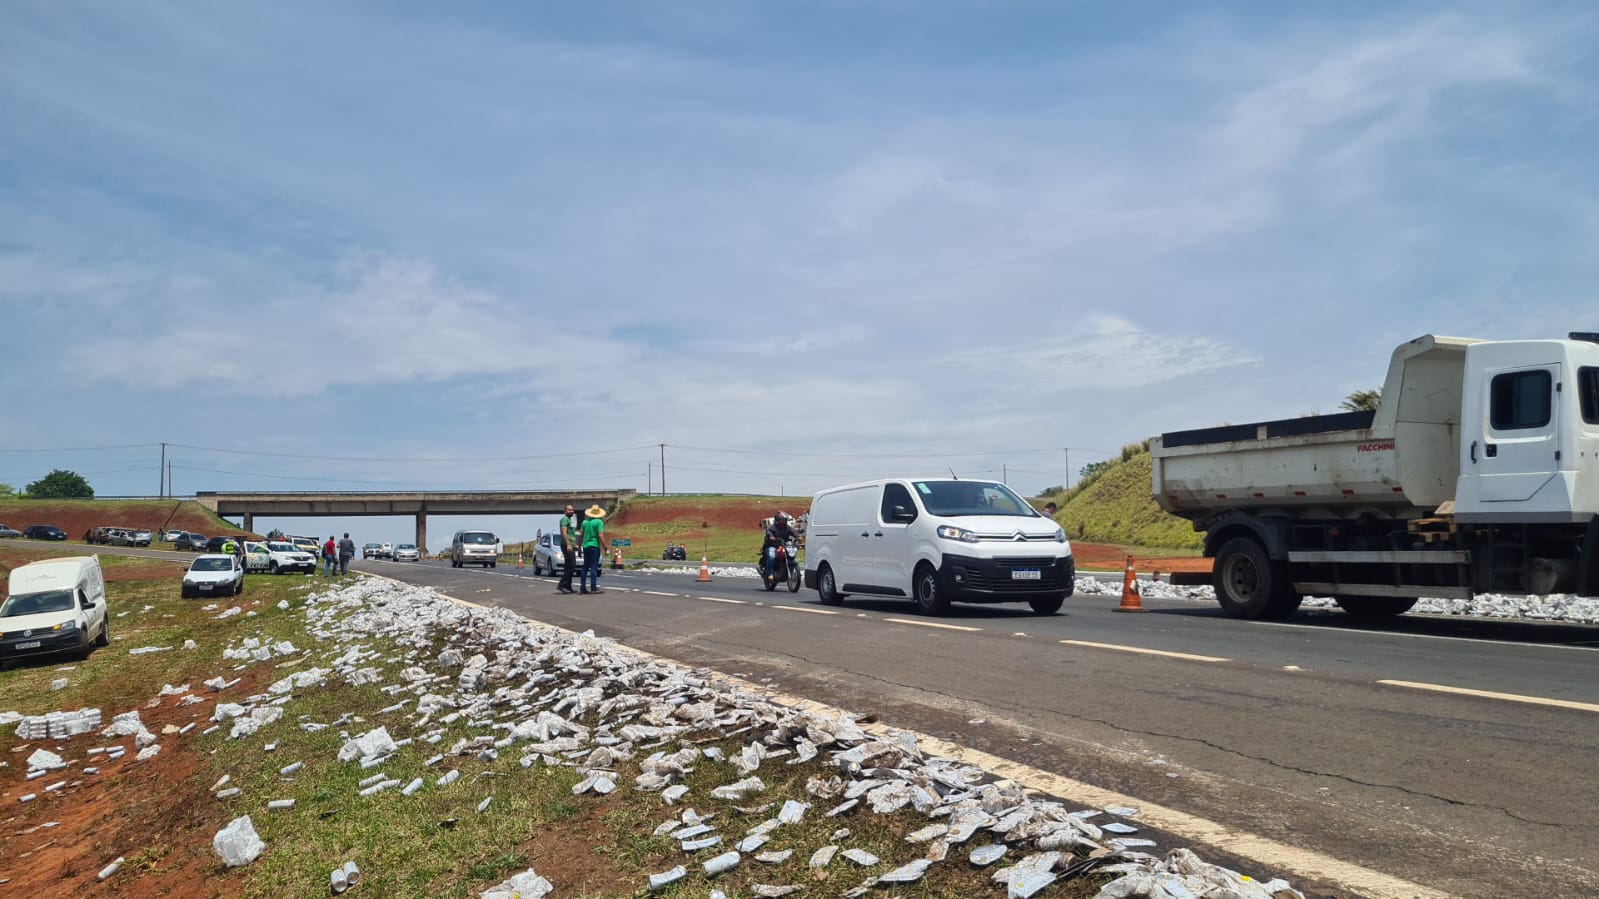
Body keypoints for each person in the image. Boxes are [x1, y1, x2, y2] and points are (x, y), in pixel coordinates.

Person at [579, 504, 607, 594]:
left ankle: (582, 587)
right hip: (594, 546)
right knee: (594, 567)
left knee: (585, 567)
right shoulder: (599, 522)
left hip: (586, 546)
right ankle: (593, 587)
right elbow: (600, 535)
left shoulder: (584, 522)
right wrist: (605, 547)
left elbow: (581, 535)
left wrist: (579, 546)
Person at [762, 512, 798, 579]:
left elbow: (793, 532)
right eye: (782, 520)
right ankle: (769, 573)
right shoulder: (772, 527)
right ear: (777, 520)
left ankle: (788, 569)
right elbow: (768, 531)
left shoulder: (787, 527)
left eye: (785, 520)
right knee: (771, 556)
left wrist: (797, 536)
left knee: (790, 554)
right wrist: (771, 536)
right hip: (772, 546)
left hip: (784, 546)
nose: (784, 521)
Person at [557, 504, 579, 594]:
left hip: (571, 544)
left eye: (572, 510)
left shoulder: (570, 520)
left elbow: (571, 534)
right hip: (566, 545)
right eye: (569, 510)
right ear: (565, 511)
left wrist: (575, 544)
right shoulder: (564, 520)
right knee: (572, 565)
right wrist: (568, 544)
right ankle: (561, 585)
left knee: (568, 566)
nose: (571, 511)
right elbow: (564, 532)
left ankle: (568, 586)